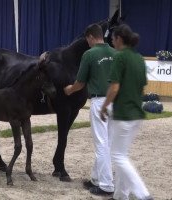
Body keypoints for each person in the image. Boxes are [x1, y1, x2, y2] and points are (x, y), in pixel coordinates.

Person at [100, 24, 154, 200]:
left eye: (113, 39)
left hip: (123, 114)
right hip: (137, 114)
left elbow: (114, 87)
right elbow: (142, 86)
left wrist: (103, 106)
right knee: (122, 155)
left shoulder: (120, 57)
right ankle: (120, 196)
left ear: (119, 39)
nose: (112, 42)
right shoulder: (139, 58)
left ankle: (143, 194)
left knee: (118, 156)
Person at [64, 23, 115, 196]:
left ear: (91, 37)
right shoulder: (115, 53)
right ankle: (95, 179)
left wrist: (69, 89)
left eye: (88, 40)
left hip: (100, 102)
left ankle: (106, 185)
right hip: (115, 102)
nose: (88, 43)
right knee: (106, 142)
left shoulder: (90, 54)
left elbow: (80, 83)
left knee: (101, 144)